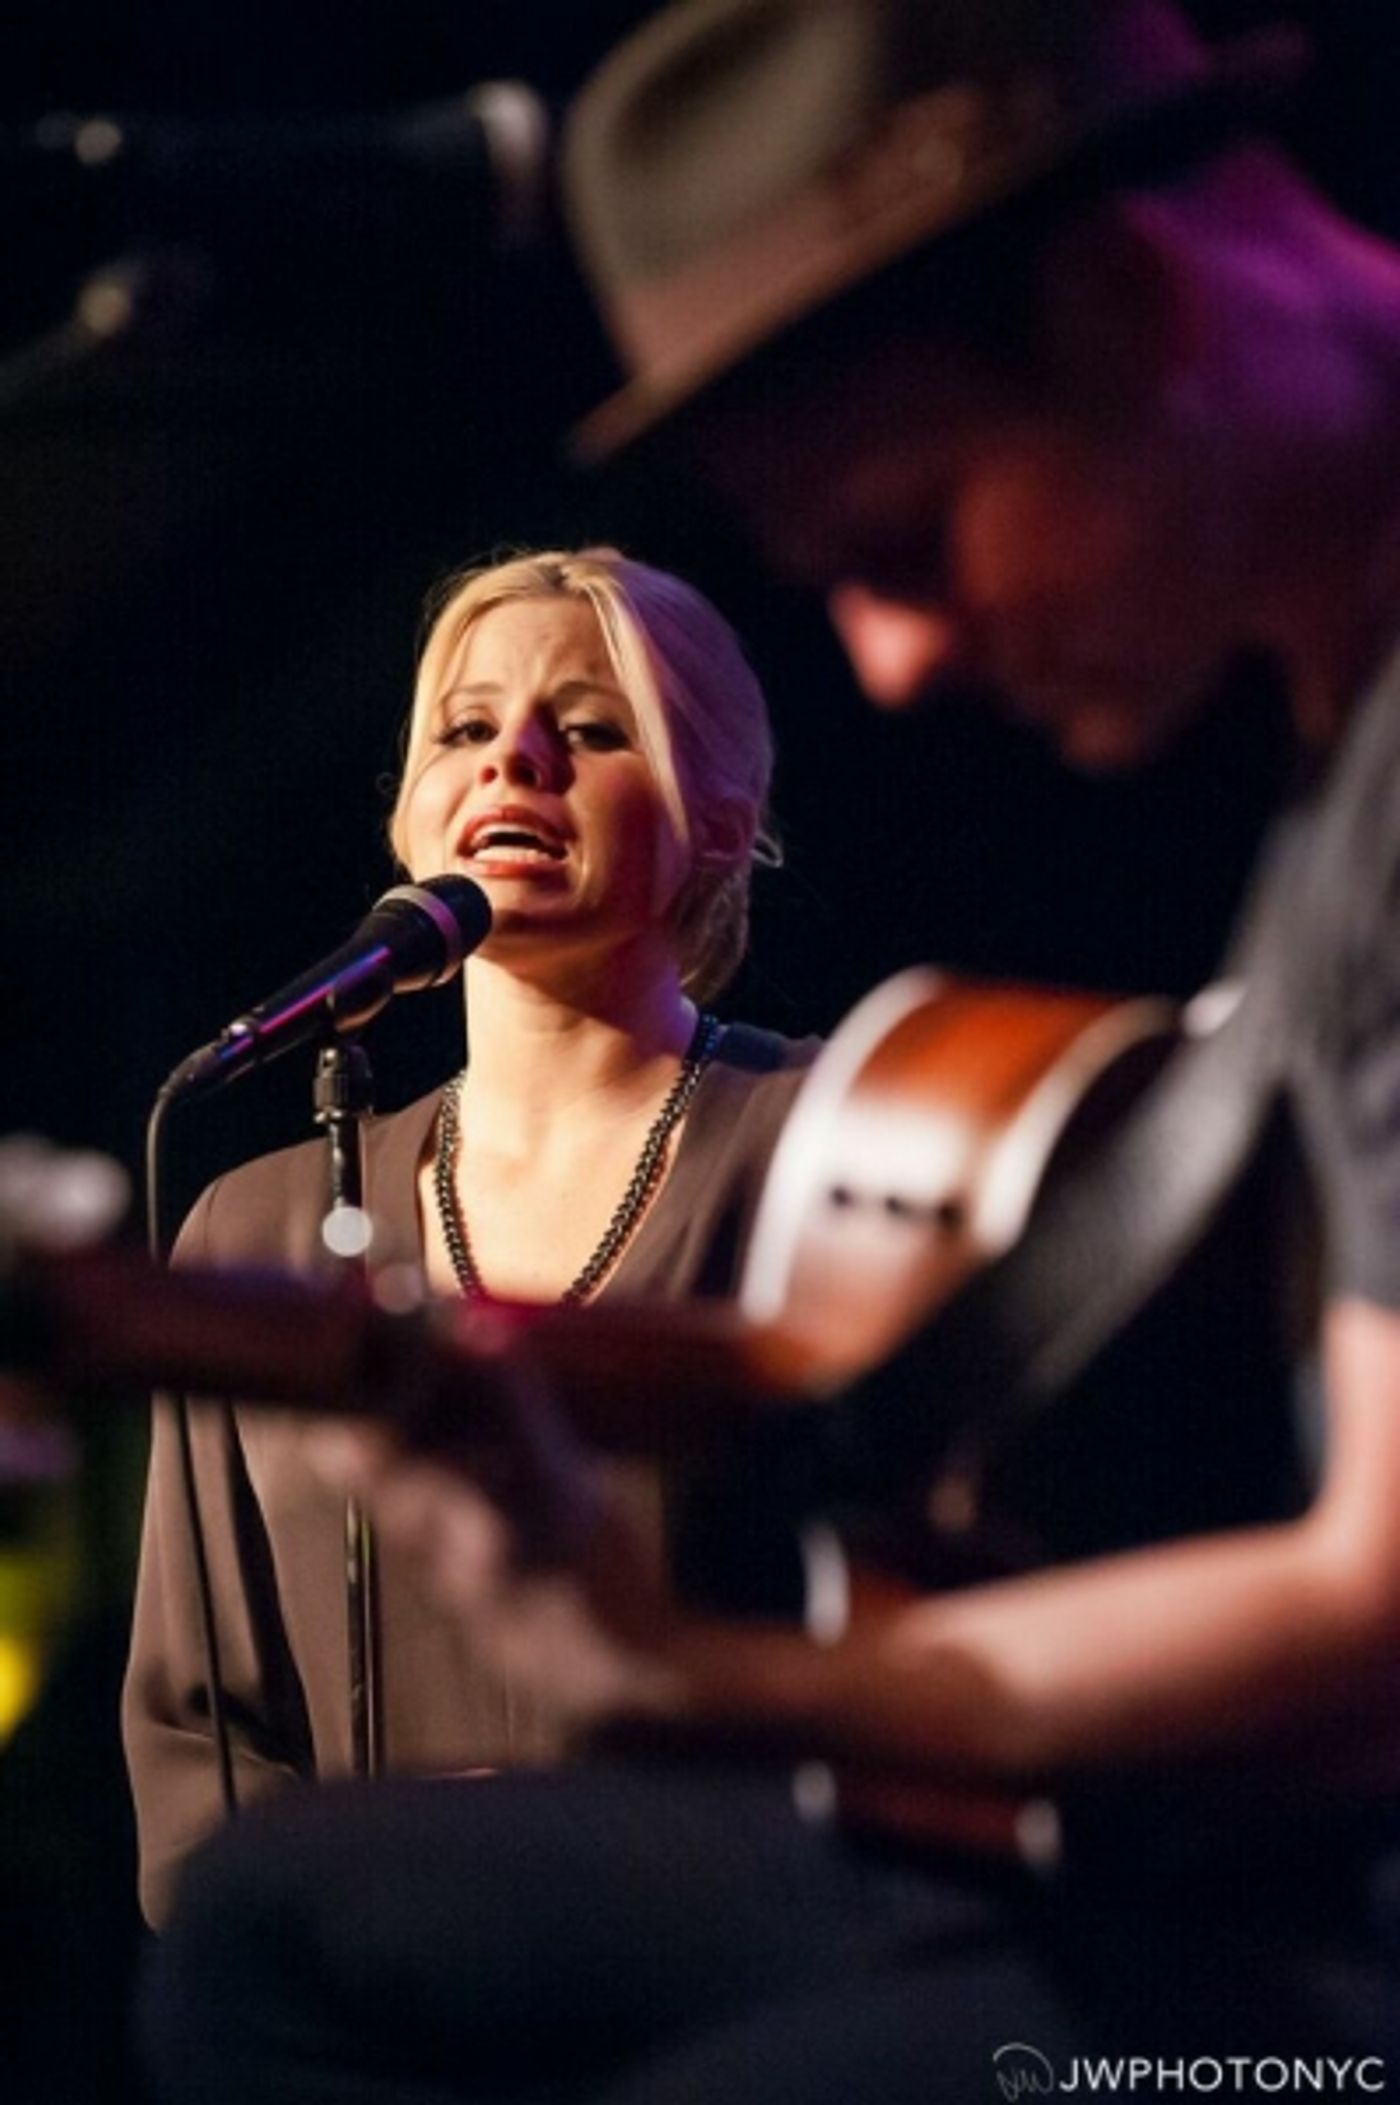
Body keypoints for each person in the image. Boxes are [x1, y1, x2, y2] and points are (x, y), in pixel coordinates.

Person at [141, 2, 1400, 2097]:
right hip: (1254, 1837)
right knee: (291, 1927)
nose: (895, 665)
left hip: (1333, 1911)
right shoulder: (1335, 751)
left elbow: (1369, 1631)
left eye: (904, 536)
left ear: (1115, 311)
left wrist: (691, 1674)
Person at [122, 543, 816, 1927]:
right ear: (412, 818)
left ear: (725, 819)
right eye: (467, 728)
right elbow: (202, 1724)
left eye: (593, 728)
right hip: (373, 2012)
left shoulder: (825, 1151)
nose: (516, 762)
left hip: (734, 1984)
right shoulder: (249, 1225)